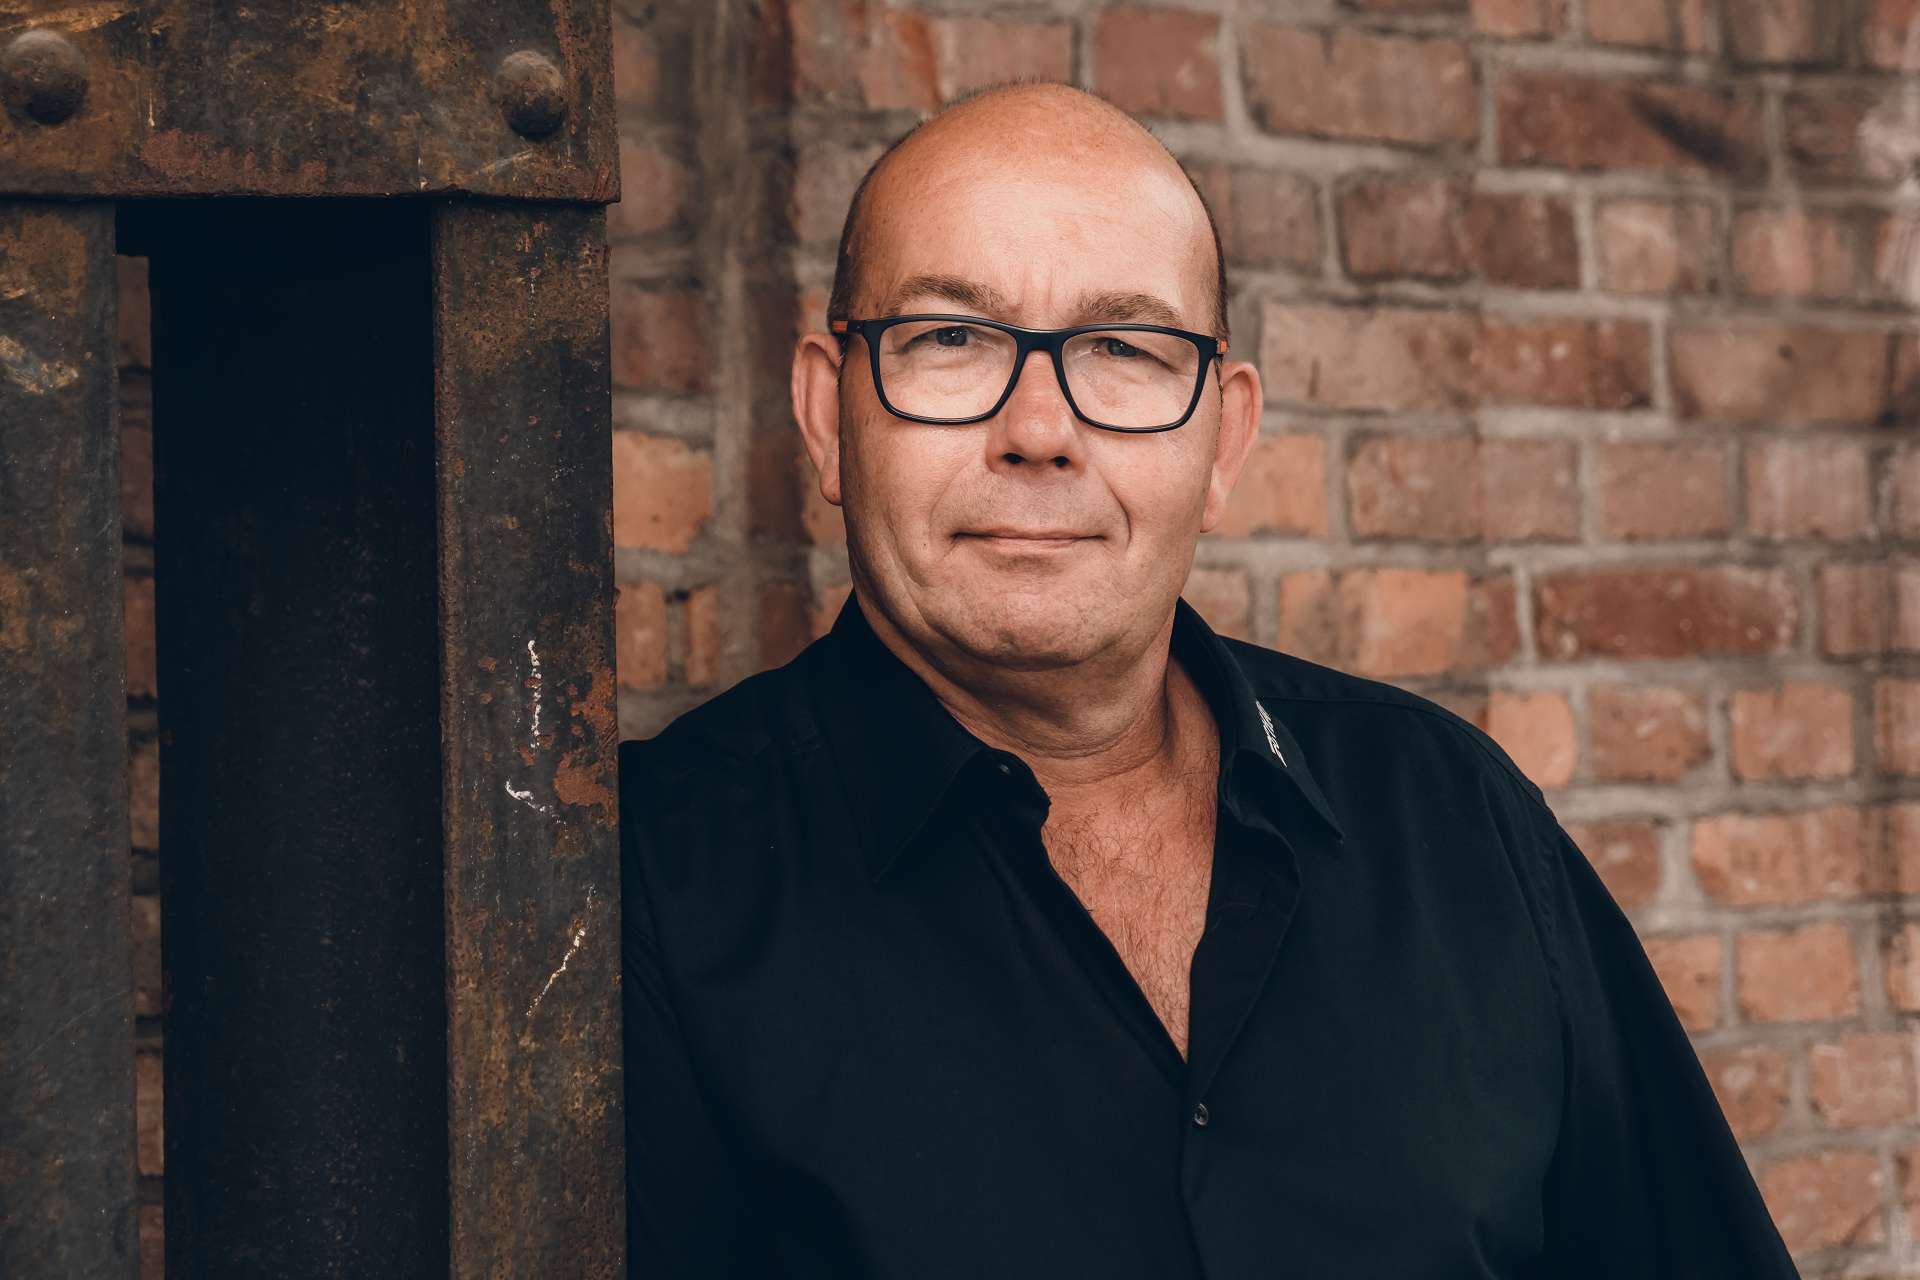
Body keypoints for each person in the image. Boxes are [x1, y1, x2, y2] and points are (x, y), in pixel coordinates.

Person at [618, 82, 1799, 1278]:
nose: (1040, 429)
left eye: (1123, 349)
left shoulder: (1455, 815)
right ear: (828, 415)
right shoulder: (646, 888)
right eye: (951, 339)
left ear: (1224, 441)